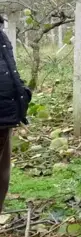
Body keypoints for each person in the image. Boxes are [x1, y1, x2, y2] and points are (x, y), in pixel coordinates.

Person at [0, 15, 31, 213]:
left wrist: (21, 92)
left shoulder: (2, 36)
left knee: (2, 175)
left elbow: (9, 70)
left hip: (6, 115)